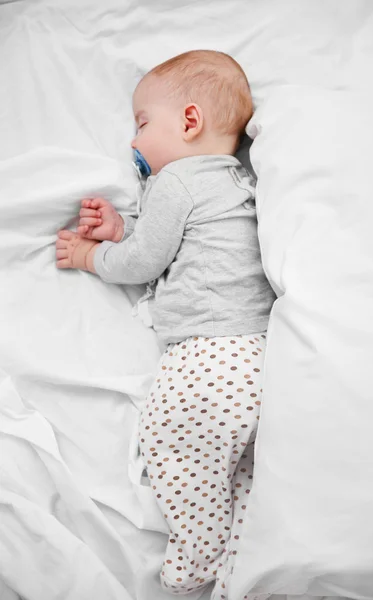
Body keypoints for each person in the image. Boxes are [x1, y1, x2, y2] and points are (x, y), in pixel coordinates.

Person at [55, 49, 276, 595]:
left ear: (190, 121)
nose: (132, 141)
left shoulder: (177, 181)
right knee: (236, 473)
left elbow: (145, 261)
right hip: (257, 357)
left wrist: (91, 256)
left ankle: (196, 564)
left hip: (208, 356)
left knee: (173, 444)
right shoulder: (234, 182)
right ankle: (237, 572)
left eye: (142, 124)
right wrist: (119, 225)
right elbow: (176, 240)